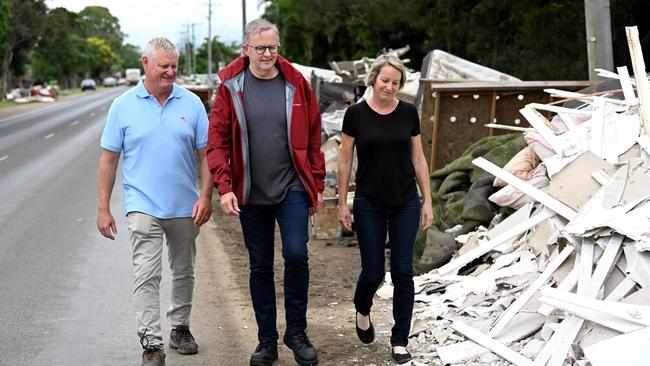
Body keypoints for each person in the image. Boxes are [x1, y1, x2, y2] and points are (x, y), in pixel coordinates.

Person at [207, 18, 324, 366]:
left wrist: (315, 183)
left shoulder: (296, 84)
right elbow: (217, 142)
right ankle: (267, 340)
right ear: (246, 49)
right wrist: (224, 187)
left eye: (272, 47)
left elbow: (315, 135)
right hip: (250, 190)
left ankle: (297, 332)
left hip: (291, 187)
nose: (267, 54)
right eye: (260, 48)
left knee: (296, 255)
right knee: (260, 266)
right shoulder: (230, 87)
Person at [96, 37, 212, 366]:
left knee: (184, 270)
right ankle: (151, 343)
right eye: (163, 66)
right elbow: (108, 160)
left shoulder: (191, 103)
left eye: (174, 66)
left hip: (185, 205)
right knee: (146, 274)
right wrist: (103, 209)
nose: (170, 72)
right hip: (142, 204)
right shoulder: (122, 106)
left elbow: (207, 155)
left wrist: (206, 196)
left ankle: (180, 328)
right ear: (146, 64)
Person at [337, 55, 433, 364]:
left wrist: (427, 200)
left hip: (405, 201)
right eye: (384, 81)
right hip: (369, 203)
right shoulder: (355, 115)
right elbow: (344, 161)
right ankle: (362, 308)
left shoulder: (408, 113)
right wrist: (342, 203)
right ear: (373, 80)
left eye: (395, 82)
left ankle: (399, 340)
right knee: (374, 272)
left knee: (404, 271)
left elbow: (418, 159)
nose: (389, 87)